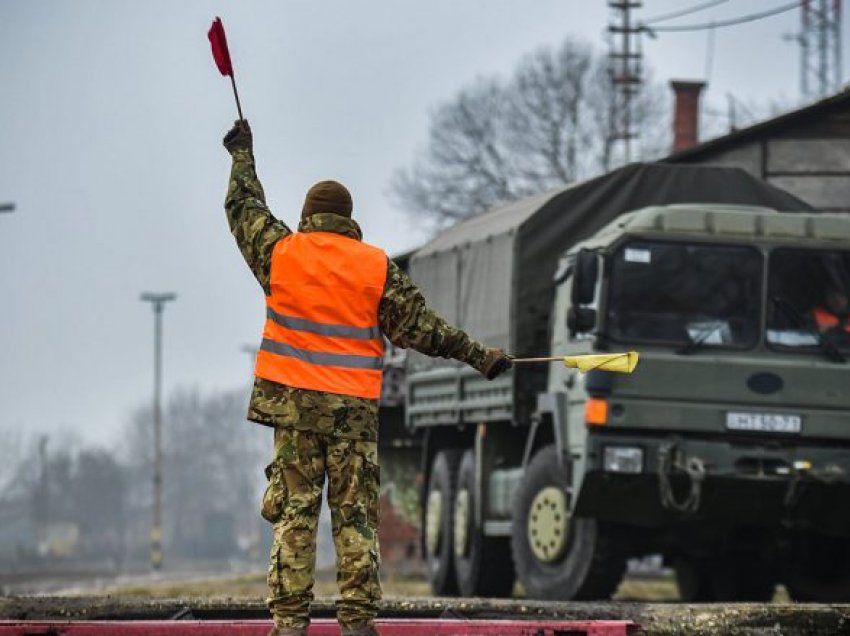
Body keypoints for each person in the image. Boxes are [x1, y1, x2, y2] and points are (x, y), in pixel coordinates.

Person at [221, 120, 512, 636]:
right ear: (349, 220)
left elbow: (246, 212)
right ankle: (357, 621)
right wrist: (479, 356)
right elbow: (423, 330)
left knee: (296, 513)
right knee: (354, 516)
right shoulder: (375, 268)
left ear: (309, 217)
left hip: (295, 412)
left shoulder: (282, 253)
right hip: (352, 415)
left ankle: (289, 622)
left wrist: (242, 155)